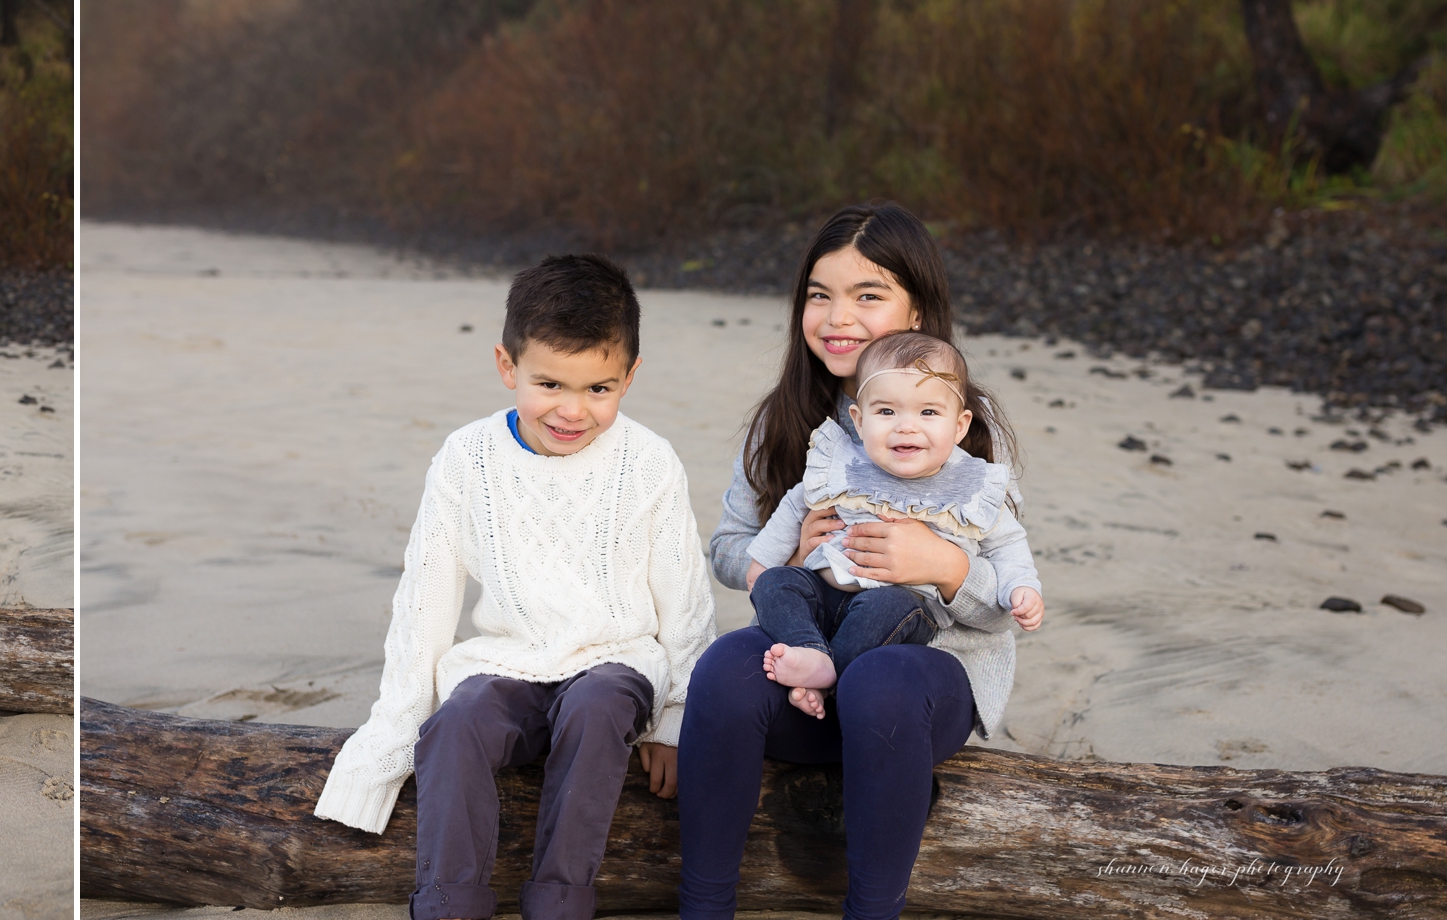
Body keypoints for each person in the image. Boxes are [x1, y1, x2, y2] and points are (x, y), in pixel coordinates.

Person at [314, 254, 718, 920]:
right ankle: (450, 903)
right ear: (508, 367)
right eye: (549, 384)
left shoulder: (647, 461)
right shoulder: (466, 457)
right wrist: (393, 731)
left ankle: (560, 900)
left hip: (616, 664)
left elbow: (685, 602)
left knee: (593, 712)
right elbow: (427, 599)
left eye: (599, 389)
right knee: (456, 725)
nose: (571, 410)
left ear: (631, 377)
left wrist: (675, 719)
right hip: (510, 662)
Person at [678, 202, 1040, 920]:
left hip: (925, 677)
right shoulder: (789, 422)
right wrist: (790, 548)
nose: (837, 317)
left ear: (917, 309)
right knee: (723, 667)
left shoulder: (965, 426)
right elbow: (725, 550)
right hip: (811, 654)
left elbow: (1003, 596)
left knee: (880, 678)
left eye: (867, 295)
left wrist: (943, 564)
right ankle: (703, 904)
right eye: (820, 295)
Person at [750, 331, 1044, 719]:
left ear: (959, 425)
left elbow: (1008, 544)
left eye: (928, 413)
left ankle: (831, 674)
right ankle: (814, 656)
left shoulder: (971, 485)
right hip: (825, 595)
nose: (906, 427)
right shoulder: (845, 466)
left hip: (901, 607)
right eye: (886, 412)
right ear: (858, 419)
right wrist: (764, 560)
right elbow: (793, 505)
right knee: (775, 582)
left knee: (885, 604)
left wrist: (1021, 587)